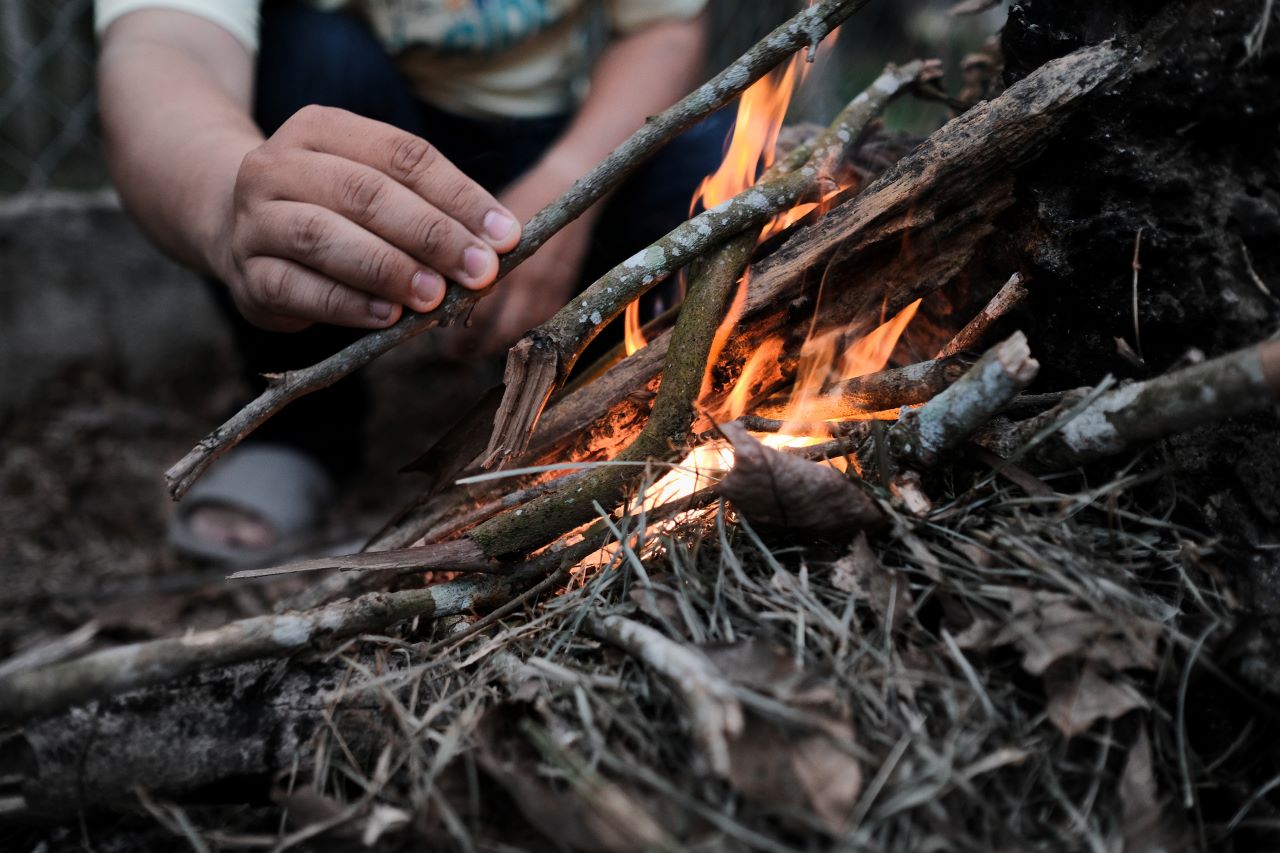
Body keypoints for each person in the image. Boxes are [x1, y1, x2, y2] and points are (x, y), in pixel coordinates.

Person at [94, 0, 733, 563]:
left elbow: (666, 26)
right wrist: (233, 210)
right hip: (356, 115)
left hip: (557, 132)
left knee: (715, 160)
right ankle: (302, 427)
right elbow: (165, 44)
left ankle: (600, 403)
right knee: (308, 53)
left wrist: (572, 185)